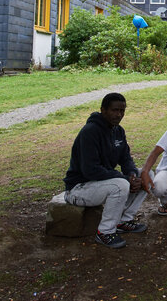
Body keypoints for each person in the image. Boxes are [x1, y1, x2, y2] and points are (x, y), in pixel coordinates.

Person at [62, 93, 148, 249]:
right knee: (120, 185)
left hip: (101, 185)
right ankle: (105, 232)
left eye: (122, 111)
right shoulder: (90, 131)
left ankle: (123, 221)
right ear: (103, 110)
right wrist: (125, 179)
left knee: (147, 175)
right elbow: (91, 170)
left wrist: (133, 175)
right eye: (115, 110)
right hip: (79, 188)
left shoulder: (118, 131)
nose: (119, 115)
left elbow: (126, 159)